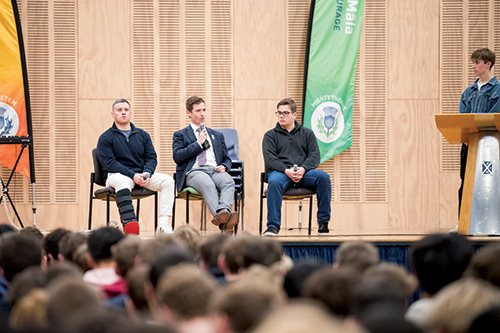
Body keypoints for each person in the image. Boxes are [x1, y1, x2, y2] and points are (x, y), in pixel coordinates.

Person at [97, 98, 175, 234]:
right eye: (119, 110)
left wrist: (147, 173)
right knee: (123, 181)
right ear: (112, 114)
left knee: (168, 180)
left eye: (126, 110)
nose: (123, 113)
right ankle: (130, 224)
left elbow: (151, 158)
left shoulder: (143, 135)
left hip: (141, 175)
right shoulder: (105, 137)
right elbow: (109, 163)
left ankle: (162, 226)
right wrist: (132, 175)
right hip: (117, 176)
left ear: (130, 113)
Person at [262, 98, 331, 236]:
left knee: (323, 177)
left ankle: (323, 222)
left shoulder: (307, 133)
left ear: (294, 115)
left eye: (285, 113)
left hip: (303, 173)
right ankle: (273, 226)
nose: (281, 116)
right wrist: (286, 171)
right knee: (274, 181)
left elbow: (314, 156)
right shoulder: (270, 135)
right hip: (281, 173)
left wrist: (303, 168)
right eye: (279, 113)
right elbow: (271, 159)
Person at [172, 96, 238, 234]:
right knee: (207, 184)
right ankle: (226, 222)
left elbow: (227, 159)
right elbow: (178, 157)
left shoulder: (216, 135)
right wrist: (197, 144)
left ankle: (224, 212)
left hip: (214, 170)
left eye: (204, 110)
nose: (202, 114)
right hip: (194, 171)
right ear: (188, 113)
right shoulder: (180, 135)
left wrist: (224, 167)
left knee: (228, 181)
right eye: (198, 110)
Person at [455, 48, 500, 232]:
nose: (473, 66)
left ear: (488, 64)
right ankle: (463, 223)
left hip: (492, 146)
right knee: (466, 182)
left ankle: (495, 222)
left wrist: (477, 131)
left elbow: (495, 116)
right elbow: (461, 118)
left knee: (493, 183)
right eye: (473, 62)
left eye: (477, 62)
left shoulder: (498, 88)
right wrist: (467, 135)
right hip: (470, 145)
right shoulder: (469, 91)